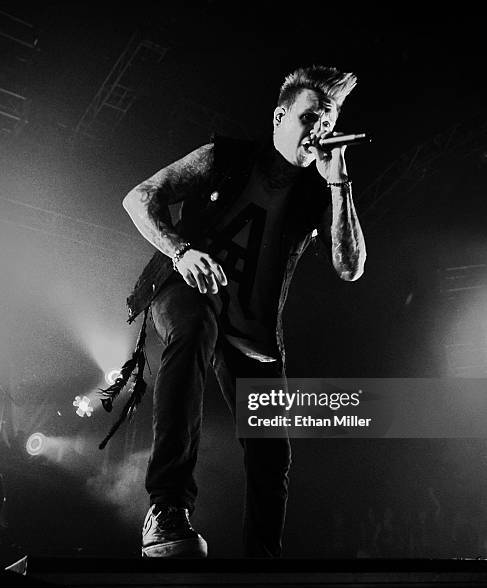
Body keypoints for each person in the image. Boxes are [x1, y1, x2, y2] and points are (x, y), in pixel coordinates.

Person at [120, 65, 366, 558]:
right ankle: (167, 507)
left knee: (273, 448)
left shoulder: (320, 190)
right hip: (189, 287)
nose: (319, 128)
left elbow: (350, 266)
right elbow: (140, 197)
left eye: (329, 119)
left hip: (251, 332)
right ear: (280, 116)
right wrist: (180, 250)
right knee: (193, 327)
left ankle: (262, 564)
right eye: (311, 116)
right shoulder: (225, 157)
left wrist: (340, 187)